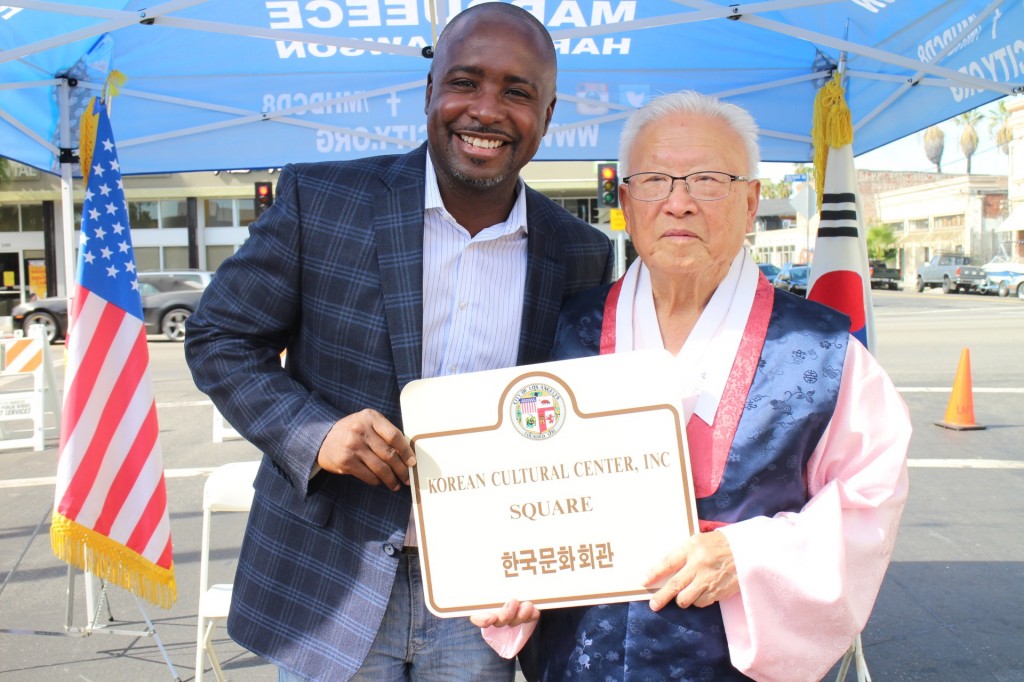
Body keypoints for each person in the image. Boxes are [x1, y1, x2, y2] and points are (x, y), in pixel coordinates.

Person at [184, 4, 613, 681]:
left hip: (486, 599)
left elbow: (572, 421)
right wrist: (315, 434)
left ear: (549, 114)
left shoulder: (584, 253)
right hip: (330, 581)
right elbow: (219, 335)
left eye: (517, 91)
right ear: (429, 93)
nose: (486, 110)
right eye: (466, 82)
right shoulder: (321, 200)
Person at [474, 91, 911, 681]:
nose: (678, 203)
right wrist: (503, 571)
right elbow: (500, 485)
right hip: (577, 658)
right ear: (626, 199)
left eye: (708, 180)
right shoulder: (557, 333)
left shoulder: (823, 353)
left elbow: (869, 502)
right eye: (654, 180)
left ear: (751, 200)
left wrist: (749, 557)